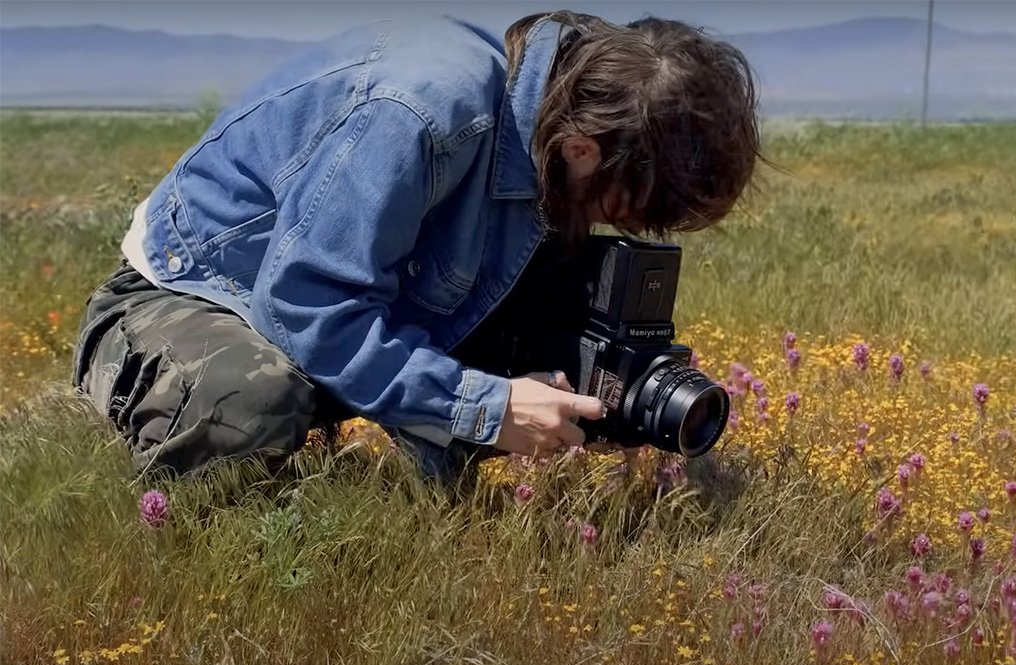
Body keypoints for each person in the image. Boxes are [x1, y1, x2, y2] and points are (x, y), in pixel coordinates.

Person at [71, 10, 761, 483]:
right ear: (584, 151)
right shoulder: (423, 113)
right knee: (251, 401)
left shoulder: (545, 133)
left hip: (317, 305)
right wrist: (486, 409)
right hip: (190, 297)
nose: (626, 226)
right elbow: (307, 307)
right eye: (630, 209)